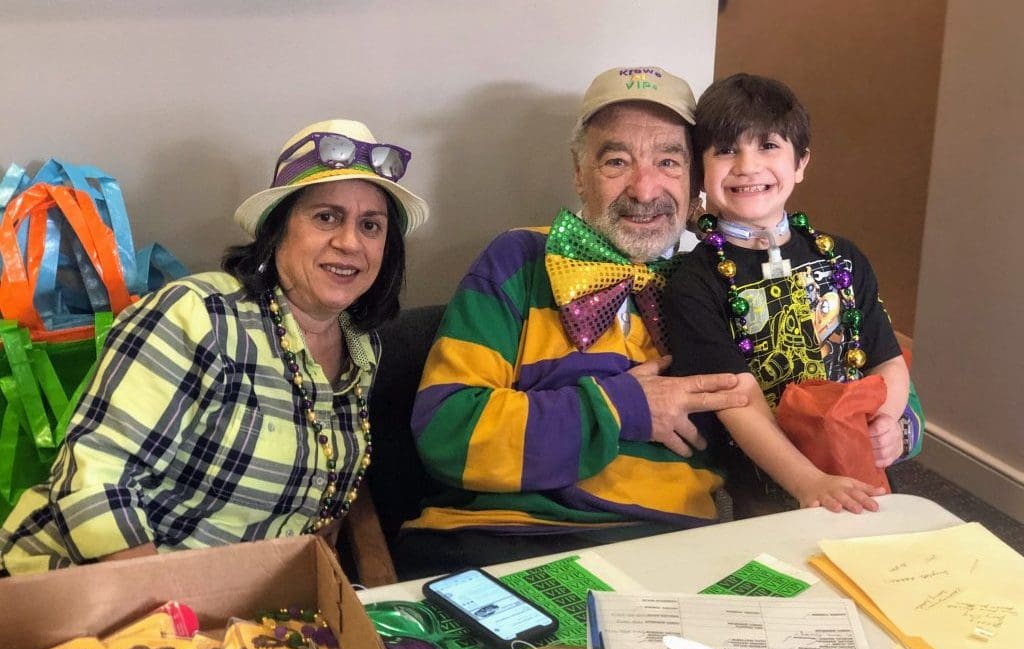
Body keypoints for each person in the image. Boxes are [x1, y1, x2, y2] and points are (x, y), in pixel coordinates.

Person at [0, 119, 429, 575]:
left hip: (235, 612)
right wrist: (172, 612)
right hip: (86, 587)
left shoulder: (361, 350)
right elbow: (94, 477)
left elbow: (318, 504)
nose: (349, 242)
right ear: (277, 229)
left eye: (371, 226)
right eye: (326, 217)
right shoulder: (199, 314)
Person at [395, 66, 749, 579]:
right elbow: (447, 433)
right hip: (502, 544)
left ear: (695, 181)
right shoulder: (517, 259)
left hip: (670, 560)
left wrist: (890, 419)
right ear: (579, 174)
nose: (645, 189)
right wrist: (620, 409)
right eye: (616, 161)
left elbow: (817, 367)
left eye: (669, 161)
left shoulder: (720, 282)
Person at [663, 73, 919, 514]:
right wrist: (809, 482)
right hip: (767, 491)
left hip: (862, 472)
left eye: (768, 145)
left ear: (800, 162)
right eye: (726, 149)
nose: (747, 165)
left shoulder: (844, 258)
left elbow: (887, 360)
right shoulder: (693, 282)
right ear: (701, 173)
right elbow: (737, 397)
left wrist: (886, 422)